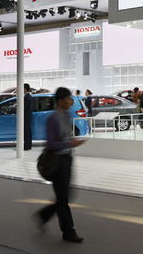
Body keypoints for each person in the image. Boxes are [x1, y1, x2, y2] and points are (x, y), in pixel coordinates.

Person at [35, 87, 85, 243]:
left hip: (67, 159)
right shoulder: (53, 119)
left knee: (65, 195)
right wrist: (69, 143)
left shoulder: (66, 115)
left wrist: (71, 143)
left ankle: (44, 215)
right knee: (63, 199)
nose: (71, 101)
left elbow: (64, 137)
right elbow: (51, 144)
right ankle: (68, 232)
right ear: (61, 101)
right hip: (57, 162)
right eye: (69, 98)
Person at [23, 83, 35, 151]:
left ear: (25, 89)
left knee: (26, 132)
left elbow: (23, 107)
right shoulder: (30, 97)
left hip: (25, 117)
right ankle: (29, 145)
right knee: (28, 131)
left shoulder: (26, 97)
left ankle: (26, 146)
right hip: (29, 116)